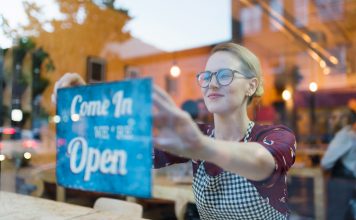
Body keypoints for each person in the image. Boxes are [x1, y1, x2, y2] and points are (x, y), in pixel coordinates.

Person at [52, 42, 296, 219]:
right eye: (207, 76)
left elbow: (260, 163)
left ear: (251, 86)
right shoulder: (197, 136)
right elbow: (129, 149)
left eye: (224, 75)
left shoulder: (276, 137)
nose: (211, 83)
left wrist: (199, 146)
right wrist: (87, 106)